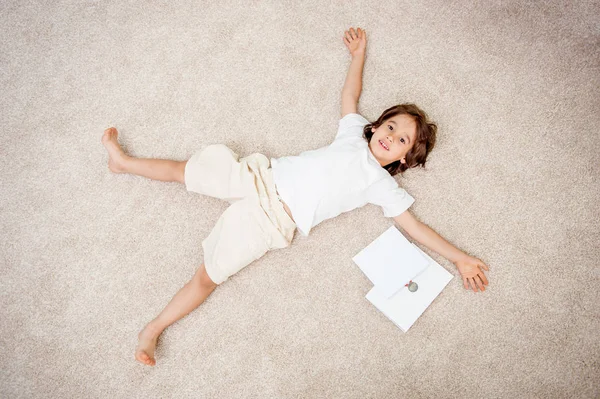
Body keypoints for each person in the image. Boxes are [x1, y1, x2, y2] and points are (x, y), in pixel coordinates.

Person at [101, 27, 490, 367]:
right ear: (376, 126)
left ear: (404, 157)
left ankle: (152, 329)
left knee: (207, 277)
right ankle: (124, 163)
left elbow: (415, 227)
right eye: (391, 125)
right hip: (258, 176)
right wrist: (358, 56)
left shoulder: (382, 185)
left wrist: (460, 258)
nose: (390, 136)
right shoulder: (353, 133)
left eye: (401, 139)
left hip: (272, 222)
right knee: (185, 170)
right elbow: (349, 97)